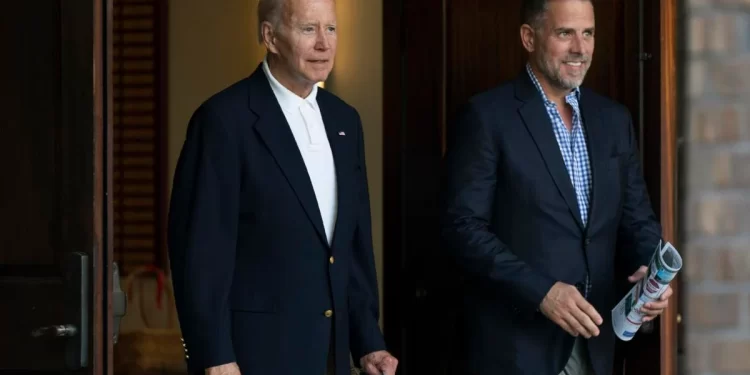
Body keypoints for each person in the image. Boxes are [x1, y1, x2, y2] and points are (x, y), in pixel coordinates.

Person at [439, 0, 673, 374]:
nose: (580, 48)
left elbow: (638, 218)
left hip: (597, 343)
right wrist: (542, 292)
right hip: (516, 348)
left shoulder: (613, 119)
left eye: (588, 33)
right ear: (529, 38)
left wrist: (647, 270)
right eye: (565, 33)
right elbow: (462, 228)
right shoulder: (486, 116)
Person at [167, 0, 398, 374]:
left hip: (330, 357)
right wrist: (214, 354)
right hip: (251, 357)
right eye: (309, 29)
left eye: (332, 29)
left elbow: (351, 248)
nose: (324, 44)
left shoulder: (345, 120)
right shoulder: (223, 120)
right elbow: (200, 250)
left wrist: (368, 342)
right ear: (270, 37)